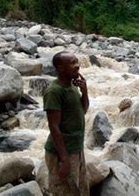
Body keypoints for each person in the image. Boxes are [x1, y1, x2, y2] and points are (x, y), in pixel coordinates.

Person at [44, 51, 89, 196]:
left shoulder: (72, 86)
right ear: (60, 68)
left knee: (78, 189)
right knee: (63, 191)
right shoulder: (54, 91)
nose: (77, 66)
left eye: (77, 62)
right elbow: (53, 126)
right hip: (62, 152)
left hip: (76, 148)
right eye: (72, 63)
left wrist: (85, 92)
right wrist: (64, 158)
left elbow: (83, 110)